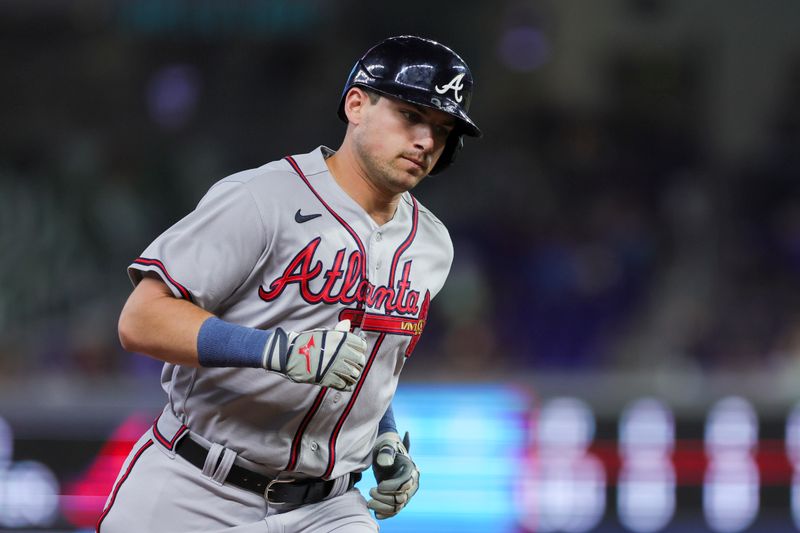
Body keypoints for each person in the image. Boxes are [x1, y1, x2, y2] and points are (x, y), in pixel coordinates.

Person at [97, 35, 481, 532]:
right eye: (411, 116)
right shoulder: (262, 198)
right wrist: (275, 350)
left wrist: (382, 436)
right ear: (357, 104)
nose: (426, 141)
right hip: (196, 486)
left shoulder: (432, 245)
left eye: (443, 129)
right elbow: (140, 319)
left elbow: (370, 366)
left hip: (328, 507)